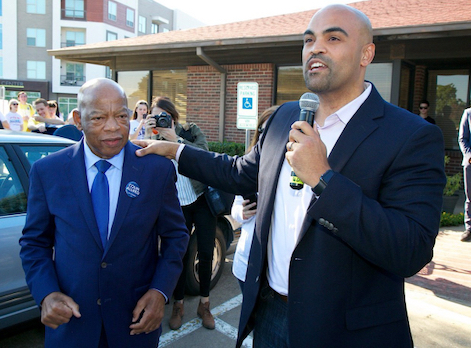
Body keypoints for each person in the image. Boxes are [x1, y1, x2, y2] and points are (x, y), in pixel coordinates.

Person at [134, 5, 446, 347]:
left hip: (345, 332)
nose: (316, 47)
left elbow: (410, 249)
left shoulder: (410, 136)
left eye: (333, 38)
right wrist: (175, 151)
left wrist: (323, 179)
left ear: (365, 53)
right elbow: (240, 173)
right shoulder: (285, 116)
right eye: (309, 39)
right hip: (269, 315)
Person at [19, 78, 189, 348]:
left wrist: (160, 292)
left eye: (121, 116)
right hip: (72, 327)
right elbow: (34, 243)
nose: (113, 127)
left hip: (135, 325)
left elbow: (176, 236)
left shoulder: (156, 170)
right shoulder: (48, 171)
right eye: (98, 117)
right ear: (78, 119)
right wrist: (46, 293)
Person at [144, 96, 217, 330]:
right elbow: (141, 168)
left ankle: (204, 304)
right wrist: (146, 135)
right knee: (178, 255)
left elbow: (205, 156)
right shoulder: (152, 140)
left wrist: (175, 140)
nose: (160, 120)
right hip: (176, 206)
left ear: (172, 116)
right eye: (155, 117)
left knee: (206, 252)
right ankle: (178, 304)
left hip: (201, 200)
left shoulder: (189, 131)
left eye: (163, 116)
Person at [231, 106, 277, 291]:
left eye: (273, 131)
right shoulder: (248, 165)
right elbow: (234, 208)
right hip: (247, 260)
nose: (266, 137)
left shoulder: (298, 169)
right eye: (262, 131)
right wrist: (242, 212)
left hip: (278, 267)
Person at [458, 107, 471, 242]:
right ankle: (469, 228)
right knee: (470, 196)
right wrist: (469, 156)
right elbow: (463, 138)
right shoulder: (468, 114)